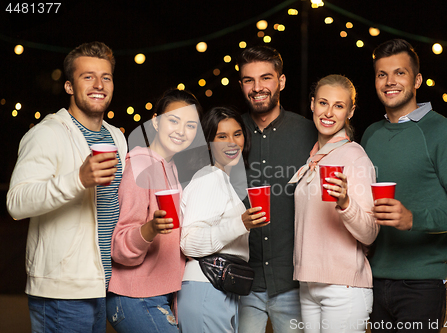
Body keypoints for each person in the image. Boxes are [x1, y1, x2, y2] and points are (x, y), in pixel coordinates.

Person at [361, 39, 447, 332]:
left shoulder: (446, 132)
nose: (390, 82)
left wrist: (413, 218)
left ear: (416, 80)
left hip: (423, 283)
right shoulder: (370, 134)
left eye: (399, 73)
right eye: (382, 74)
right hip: (370, 280)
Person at [6, 41, 126, 333]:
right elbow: (16, 203)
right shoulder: (47, 133)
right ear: (70, 86)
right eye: (88, 77)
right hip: (62, 293)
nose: (99, 84)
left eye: (105, 77)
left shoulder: (116, 137)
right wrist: (78, 179)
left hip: (103, 286)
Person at [106, 89, 203, 333]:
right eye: (174, 120)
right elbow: (119, 245)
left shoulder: (170, 168)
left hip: (160, 295)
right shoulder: (140, 165)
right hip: (135, 298)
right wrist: (149, 229)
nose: (182, 131)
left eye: (191, 125)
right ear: (156, 121)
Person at [237, 45, 317, 333]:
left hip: (292, 283)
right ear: (242, 85)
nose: (258, 87)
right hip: (242, 284)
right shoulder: (229, 133)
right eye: (249, 80)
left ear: (281, 81)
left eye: (266, 78)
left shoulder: (310, 132)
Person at [289, 74, 378, 332]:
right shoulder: (313, 159)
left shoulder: (354, 156)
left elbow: (370, 233)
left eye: (339, 106)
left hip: (343, 288)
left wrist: (345, 201)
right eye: (323, 103)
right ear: (312, 104)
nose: (328, 112)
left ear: (350, 111)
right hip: (308, 284)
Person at [177, 106, 268, 333]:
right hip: (206, 287)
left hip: (219, 287)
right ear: (209, 143)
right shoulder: (210, 177)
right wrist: (242, 223)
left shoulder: (223, 179)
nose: (232, 142)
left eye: (237, 134)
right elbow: (189, 241)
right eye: (222, 136)